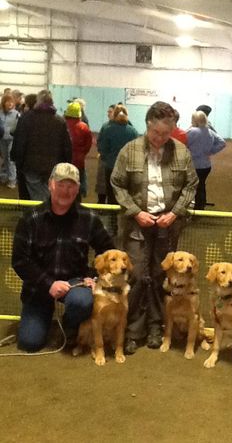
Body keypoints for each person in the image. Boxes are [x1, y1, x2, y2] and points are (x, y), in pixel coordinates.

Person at [110, 101, 198, 354]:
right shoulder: (129, 151)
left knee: (163, 276)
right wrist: (136, 212)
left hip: (167, 225)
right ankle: (132, 331)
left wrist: (175, 213)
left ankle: (156, 327)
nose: (160, 139)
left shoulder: (181, 152)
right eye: (155, 133)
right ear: (147, 125)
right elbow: (117, 184)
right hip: (137, 224)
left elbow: (191, 185)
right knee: (136, 276)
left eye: (165, 134)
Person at [12, 162, 115, 352]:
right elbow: (20, 260)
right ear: (50, 184)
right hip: (39, 286)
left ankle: (69, 325)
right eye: (60, 185)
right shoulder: (30, 218)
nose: (65, 191)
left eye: (71, 186)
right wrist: (49, 284)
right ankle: (43, 316)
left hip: (75, 283)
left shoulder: (89, 218)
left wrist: (94, 277)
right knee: (29, 343)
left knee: (81, 302)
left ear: (78, 189)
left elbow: (109, 252)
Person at [13, 89, 72, 201]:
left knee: (36, 199)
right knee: (49, 195)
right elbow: (67, 147)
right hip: (53, 168)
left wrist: (19, 164)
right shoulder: (60, 121)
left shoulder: (26, 119)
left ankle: (41, 217)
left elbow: (20, 143)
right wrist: (66, 165)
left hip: (31, 167)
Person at [97, 104, 138, 204]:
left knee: (111, 195)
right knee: (125, 195)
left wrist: (106, 158)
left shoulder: (107, 129)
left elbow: (102, 148)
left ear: (114, 115)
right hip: (127, 168)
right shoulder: (133, 131)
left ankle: (112, 217)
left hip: (111, 167)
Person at [187, 110, 226, 210]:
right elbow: (222, 143)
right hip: (206, 165)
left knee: (191, 187)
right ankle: (200, 206)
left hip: (194, 165)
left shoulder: (191, 132)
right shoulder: (209, 131)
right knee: (201, 185)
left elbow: (182, 142)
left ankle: (195, 207)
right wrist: (211, 151)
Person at [11, 93, 37, 199]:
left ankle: (27, 213)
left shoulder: (24, 118)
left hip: (24, 160)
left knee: (24, 190)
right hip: (37, 161)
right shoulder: (45, 118)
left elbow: (18, 139)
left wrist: (14, 156)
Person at [64, 101, 92, 199]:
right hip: (79, 161)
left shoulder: (62, 124)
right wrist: (82, 153)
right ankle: (79, 196)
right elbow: (88, 144)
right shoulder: (83, 127)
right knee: (78, 180)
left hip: (64, 160)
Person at [95, 104, 115, 204]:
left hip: (107, 162)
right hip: (105, 161)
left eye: (110, 112)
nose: (108, 114)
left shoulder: (107, 127)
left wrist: (103, 153)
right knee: (102, 190)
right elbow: (99, 141)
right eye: (108, 112)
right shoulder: (105, 126)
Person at [0, 92, 19, 189]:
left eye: (11, 102)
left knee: (11, 160)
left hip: (12, 140)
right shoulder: (0, 113)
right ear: (4, 102)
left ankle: (12, 180)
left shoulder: (17, 114)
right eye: (7, 101)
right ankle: (6, 177)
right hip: (2, 139)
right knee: (5, 159)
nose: (10, 103)